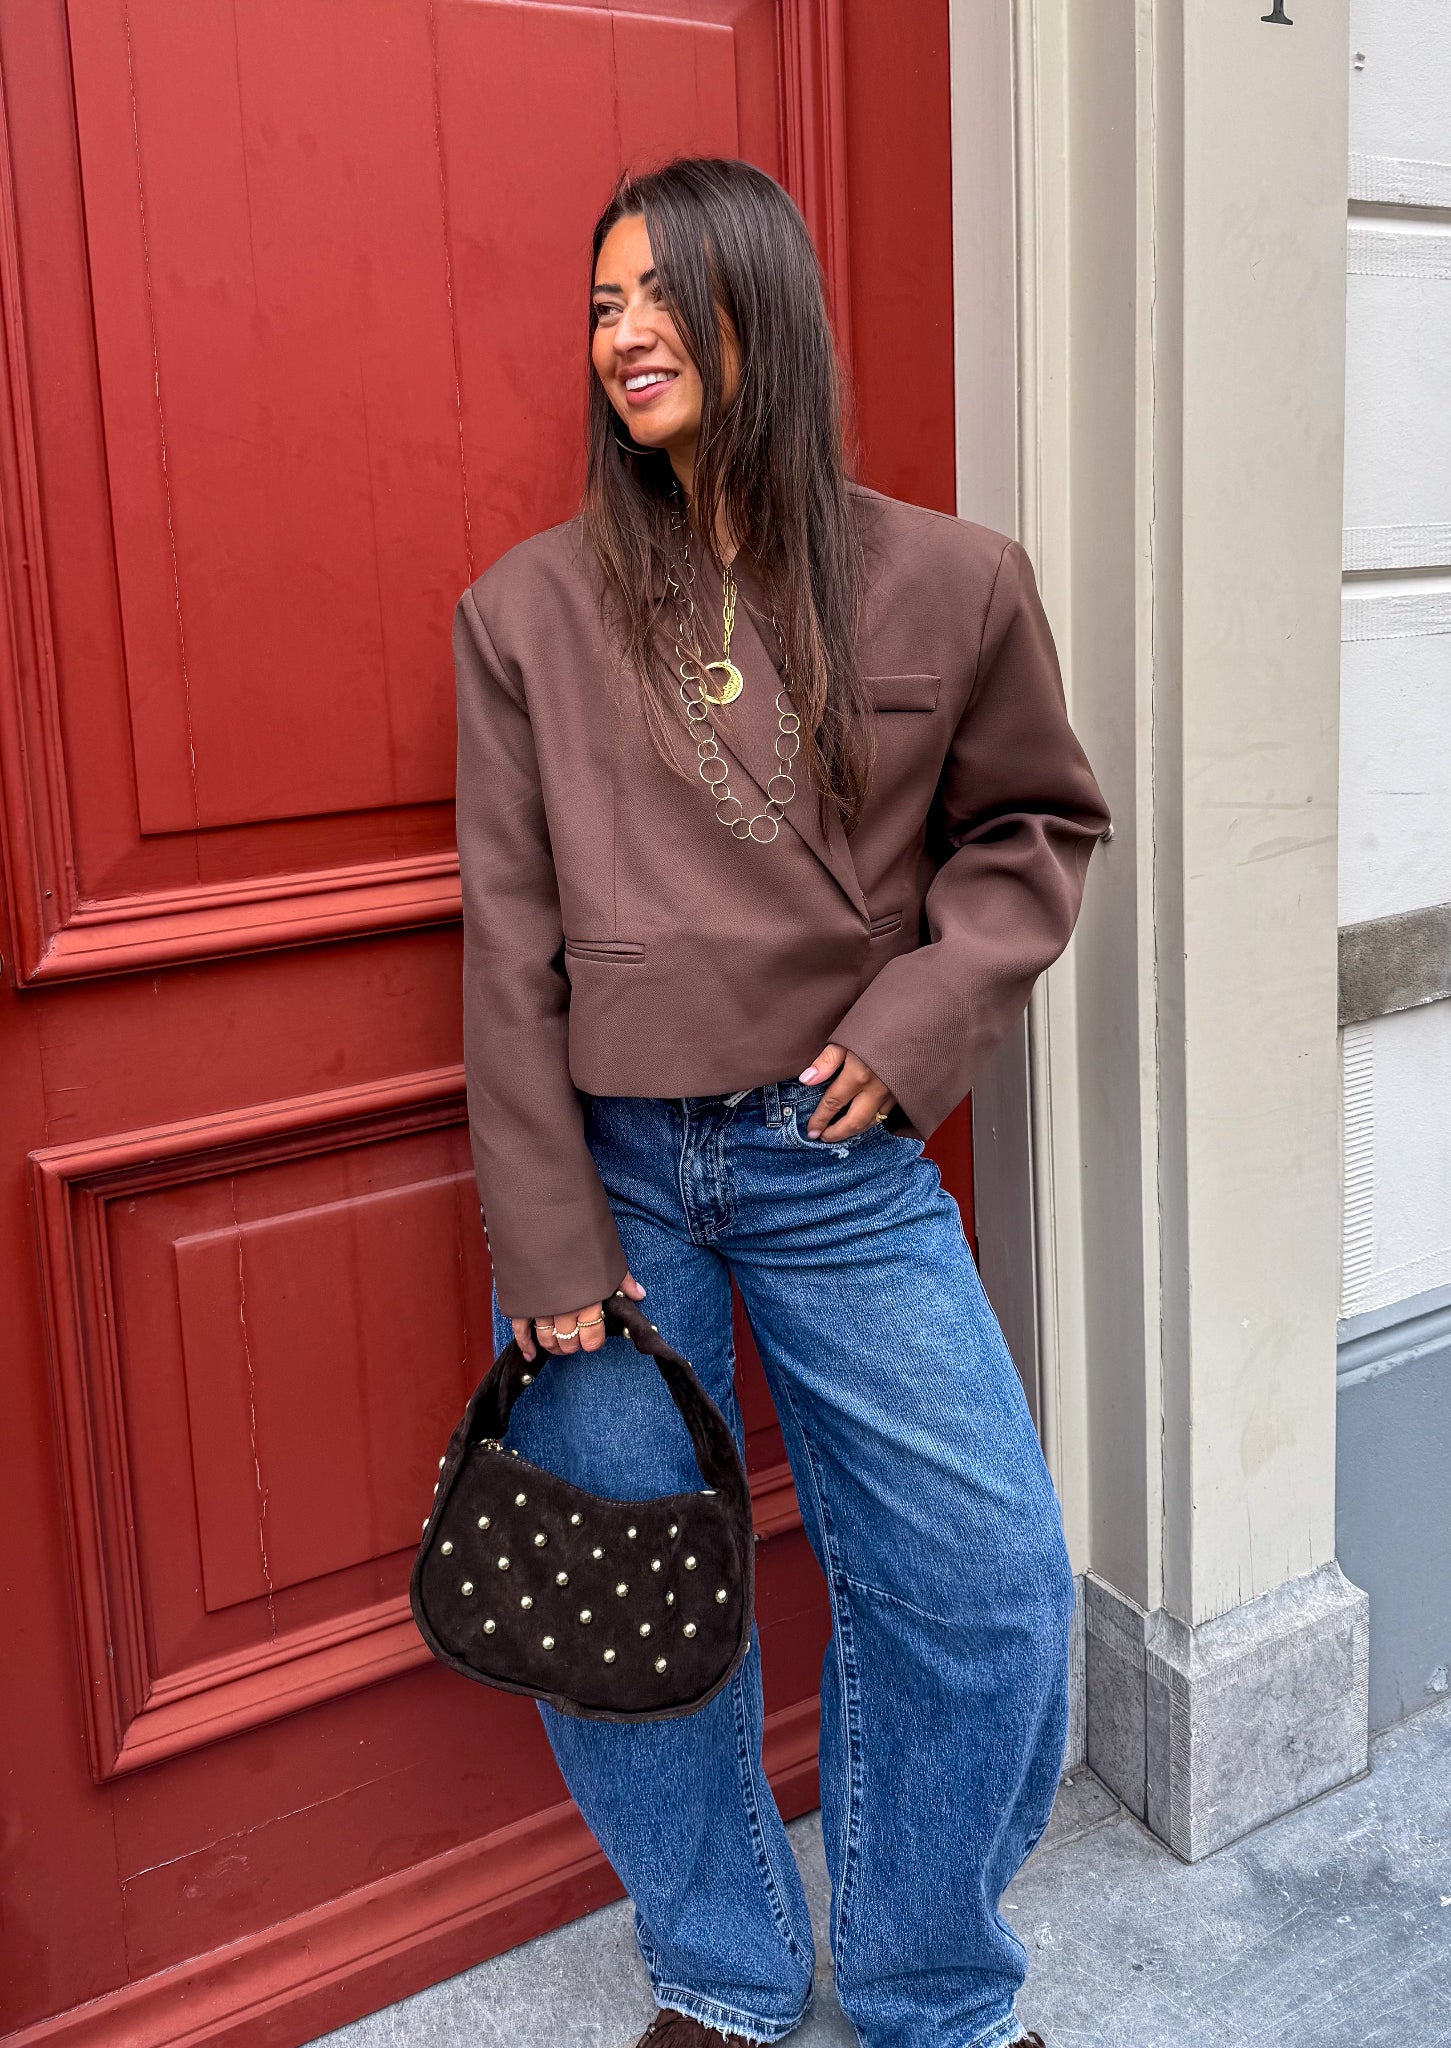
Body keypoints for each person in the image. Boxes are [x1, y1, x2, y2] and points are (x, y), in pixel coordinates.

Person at [452, 156, 1110, 2048]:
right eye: (602, 305)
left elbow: (1035, 830)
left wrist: (918, 1024)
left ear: (766, 307)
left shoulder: (954, 577)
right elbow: (506, 950)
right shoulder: (527, 611)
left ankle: (932, 1989)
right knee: (623, 1601)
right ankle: (723, 1978)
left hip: (837, 1160)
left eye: (661, 291)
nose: (624, 333)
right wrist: (548, 1240)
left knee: (986, 1584)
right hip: (615, 1179)